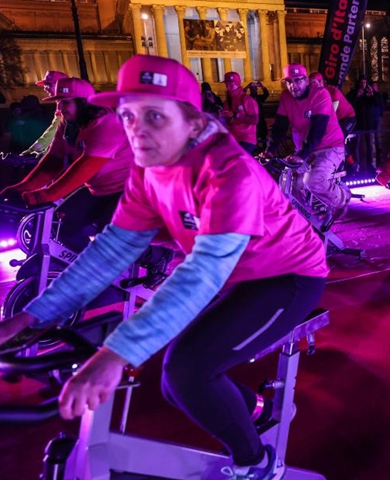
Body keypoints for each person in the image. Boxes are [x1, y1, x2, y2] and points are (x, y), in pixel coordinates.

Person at [0, 55, 329, 480]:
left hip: (286, 276)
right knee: (178, 387)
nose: (136, 129)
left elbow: (203, 273)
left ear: (192, 122)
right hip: (234, 274)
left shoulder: (230, 173)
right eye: (128, 115)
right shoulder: (148, 170)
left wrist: (116, 354)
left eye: (154, 115)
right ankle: (257, 408)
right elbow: (113, 250)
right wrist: (33, 315)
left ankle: (257, 464)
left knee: (187, 371)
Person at [0, 78, 134, 255]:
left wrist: (46, 195)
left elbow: (86, 167)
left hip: (129, 190)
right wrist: (21, 188)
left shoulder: (107, 123)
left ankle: (155, 256)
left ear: (84, 102)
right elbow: (53, 161)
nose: (60, 108)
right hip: (98, 189)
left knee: (109, 237)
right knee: (61, 225)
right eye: (58, 102)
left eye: (65, 102)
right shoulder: (68, 124)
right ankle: (91, 267)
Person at [266, 63, 351, 219]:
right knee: (290, 181)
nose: (293, 86)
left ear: (306, 80)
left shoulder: (320, 94)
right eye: (289, 82)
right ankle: (302, 217)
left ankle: (342, 198)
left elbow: (318, 129)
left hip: (330, 146)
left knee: (312, 180)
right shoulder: (286, 97)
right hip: (306, 149)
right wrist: (270, 150)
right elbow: (280, 126)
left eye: (298, 80)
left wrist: (302, 154)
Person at [20, 70, 68, 157]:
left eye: (49, 84)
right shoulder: (61, 103)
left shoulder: (66, 104)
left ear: (61, 85)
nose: (45, 88)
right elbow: (55, 129)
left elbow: (56, 130)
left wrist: (36, 150)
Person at [222, 71, 260, 154]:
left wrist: (235, 115)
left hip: (246, 140)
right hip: (233, 140)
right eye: (226, 83)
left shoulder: (247, 100)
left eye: (231, 83)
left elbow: (255, 120)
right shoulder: (226, 102)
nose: (227, 85)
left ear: (237, 83)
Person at [309, 72, 357, 136]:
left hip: (348, 117)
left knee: (339, 137)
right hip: (336, 120)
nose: (312, 86)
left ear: (321, 82)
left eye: (314, 82)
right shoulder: (315, 94)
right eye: (310, 83)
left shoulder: (333, 92)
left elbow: (331, 114)